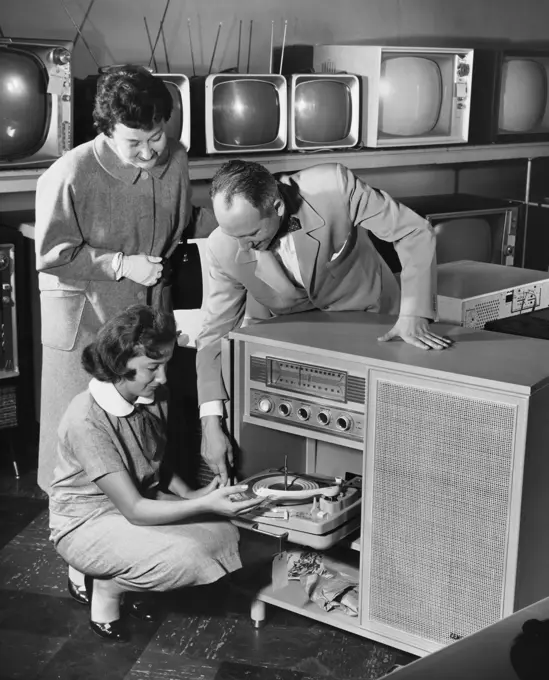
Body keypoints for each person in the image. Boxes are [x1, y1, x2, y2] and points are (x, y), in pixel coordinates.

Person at [34, 65, 217, 597]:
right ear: (106, 130)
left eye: (157, 135)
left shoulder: (176, 157)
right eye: (135, 142)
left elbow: (183, 224)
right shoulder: (69, 174)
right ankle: (81, 560)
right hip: (88, 318)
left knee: (142, 430)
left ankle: (131, 535)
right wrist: (119, 264)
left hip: (146, 311)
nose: (150, 152)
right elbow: (52, 256)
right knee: (87, 438)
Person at [195, 159, 452, 483]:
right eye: (234, 236)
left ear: (276, 206)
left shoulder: (333, 187)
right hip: (293, 332)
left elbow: (413, 230)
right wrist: (210, 421)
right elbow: (213, 333)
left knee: (389, 437)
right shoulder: (222, 246)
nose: (243, 246)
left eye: (251, 234)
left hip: (374, 317)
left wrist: (414, 314)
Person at [48, 304, 261, 641]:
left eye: (165, 365)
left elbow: (153, 457)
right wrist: (206, 505)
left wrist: (192, 495)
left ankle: (125, 573)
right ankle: (108, 588)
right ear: (119, 365)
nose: (163, 377)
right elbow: (134, 509)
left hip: (139, 503)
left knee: (225, 534)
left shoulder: (154, 393)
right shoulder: (85, 419)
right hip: (85, 521)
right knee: (188, 558)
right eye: (152, 367)